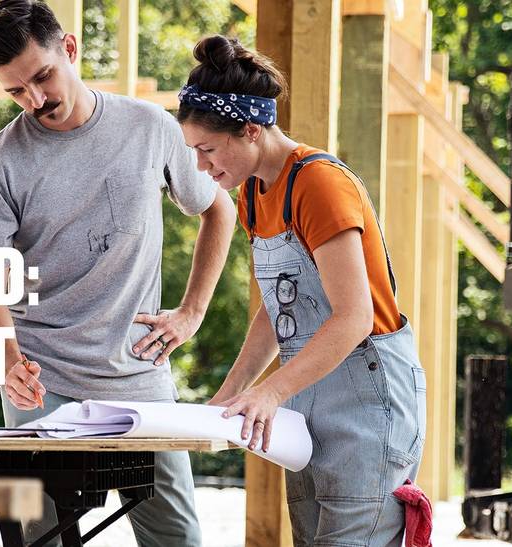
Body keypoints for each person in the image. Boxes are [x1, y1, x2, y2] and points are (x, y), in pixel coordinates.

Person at [0, 2, 236, 545]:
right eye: (16, 92)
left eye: (42, 77)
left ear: (69, 49)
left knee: (177, 538)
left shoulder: (151, 128)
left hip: (140, 373)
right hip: (42, 381)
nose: (37, 100)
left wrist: (192, 313)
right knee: (39, 537)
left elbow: (218, 209)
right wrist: (8, 359)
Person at [177, 35, 428, 546]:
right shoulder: (253, 192)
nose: (201, 167)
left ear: (250, 131)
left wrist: (270, 391)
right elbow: (279, 306)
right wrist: (228, 399)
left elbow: (353, 317)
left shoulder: (318, 184)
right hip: (310, 400)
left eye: (206, 150)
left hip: (367, 398)